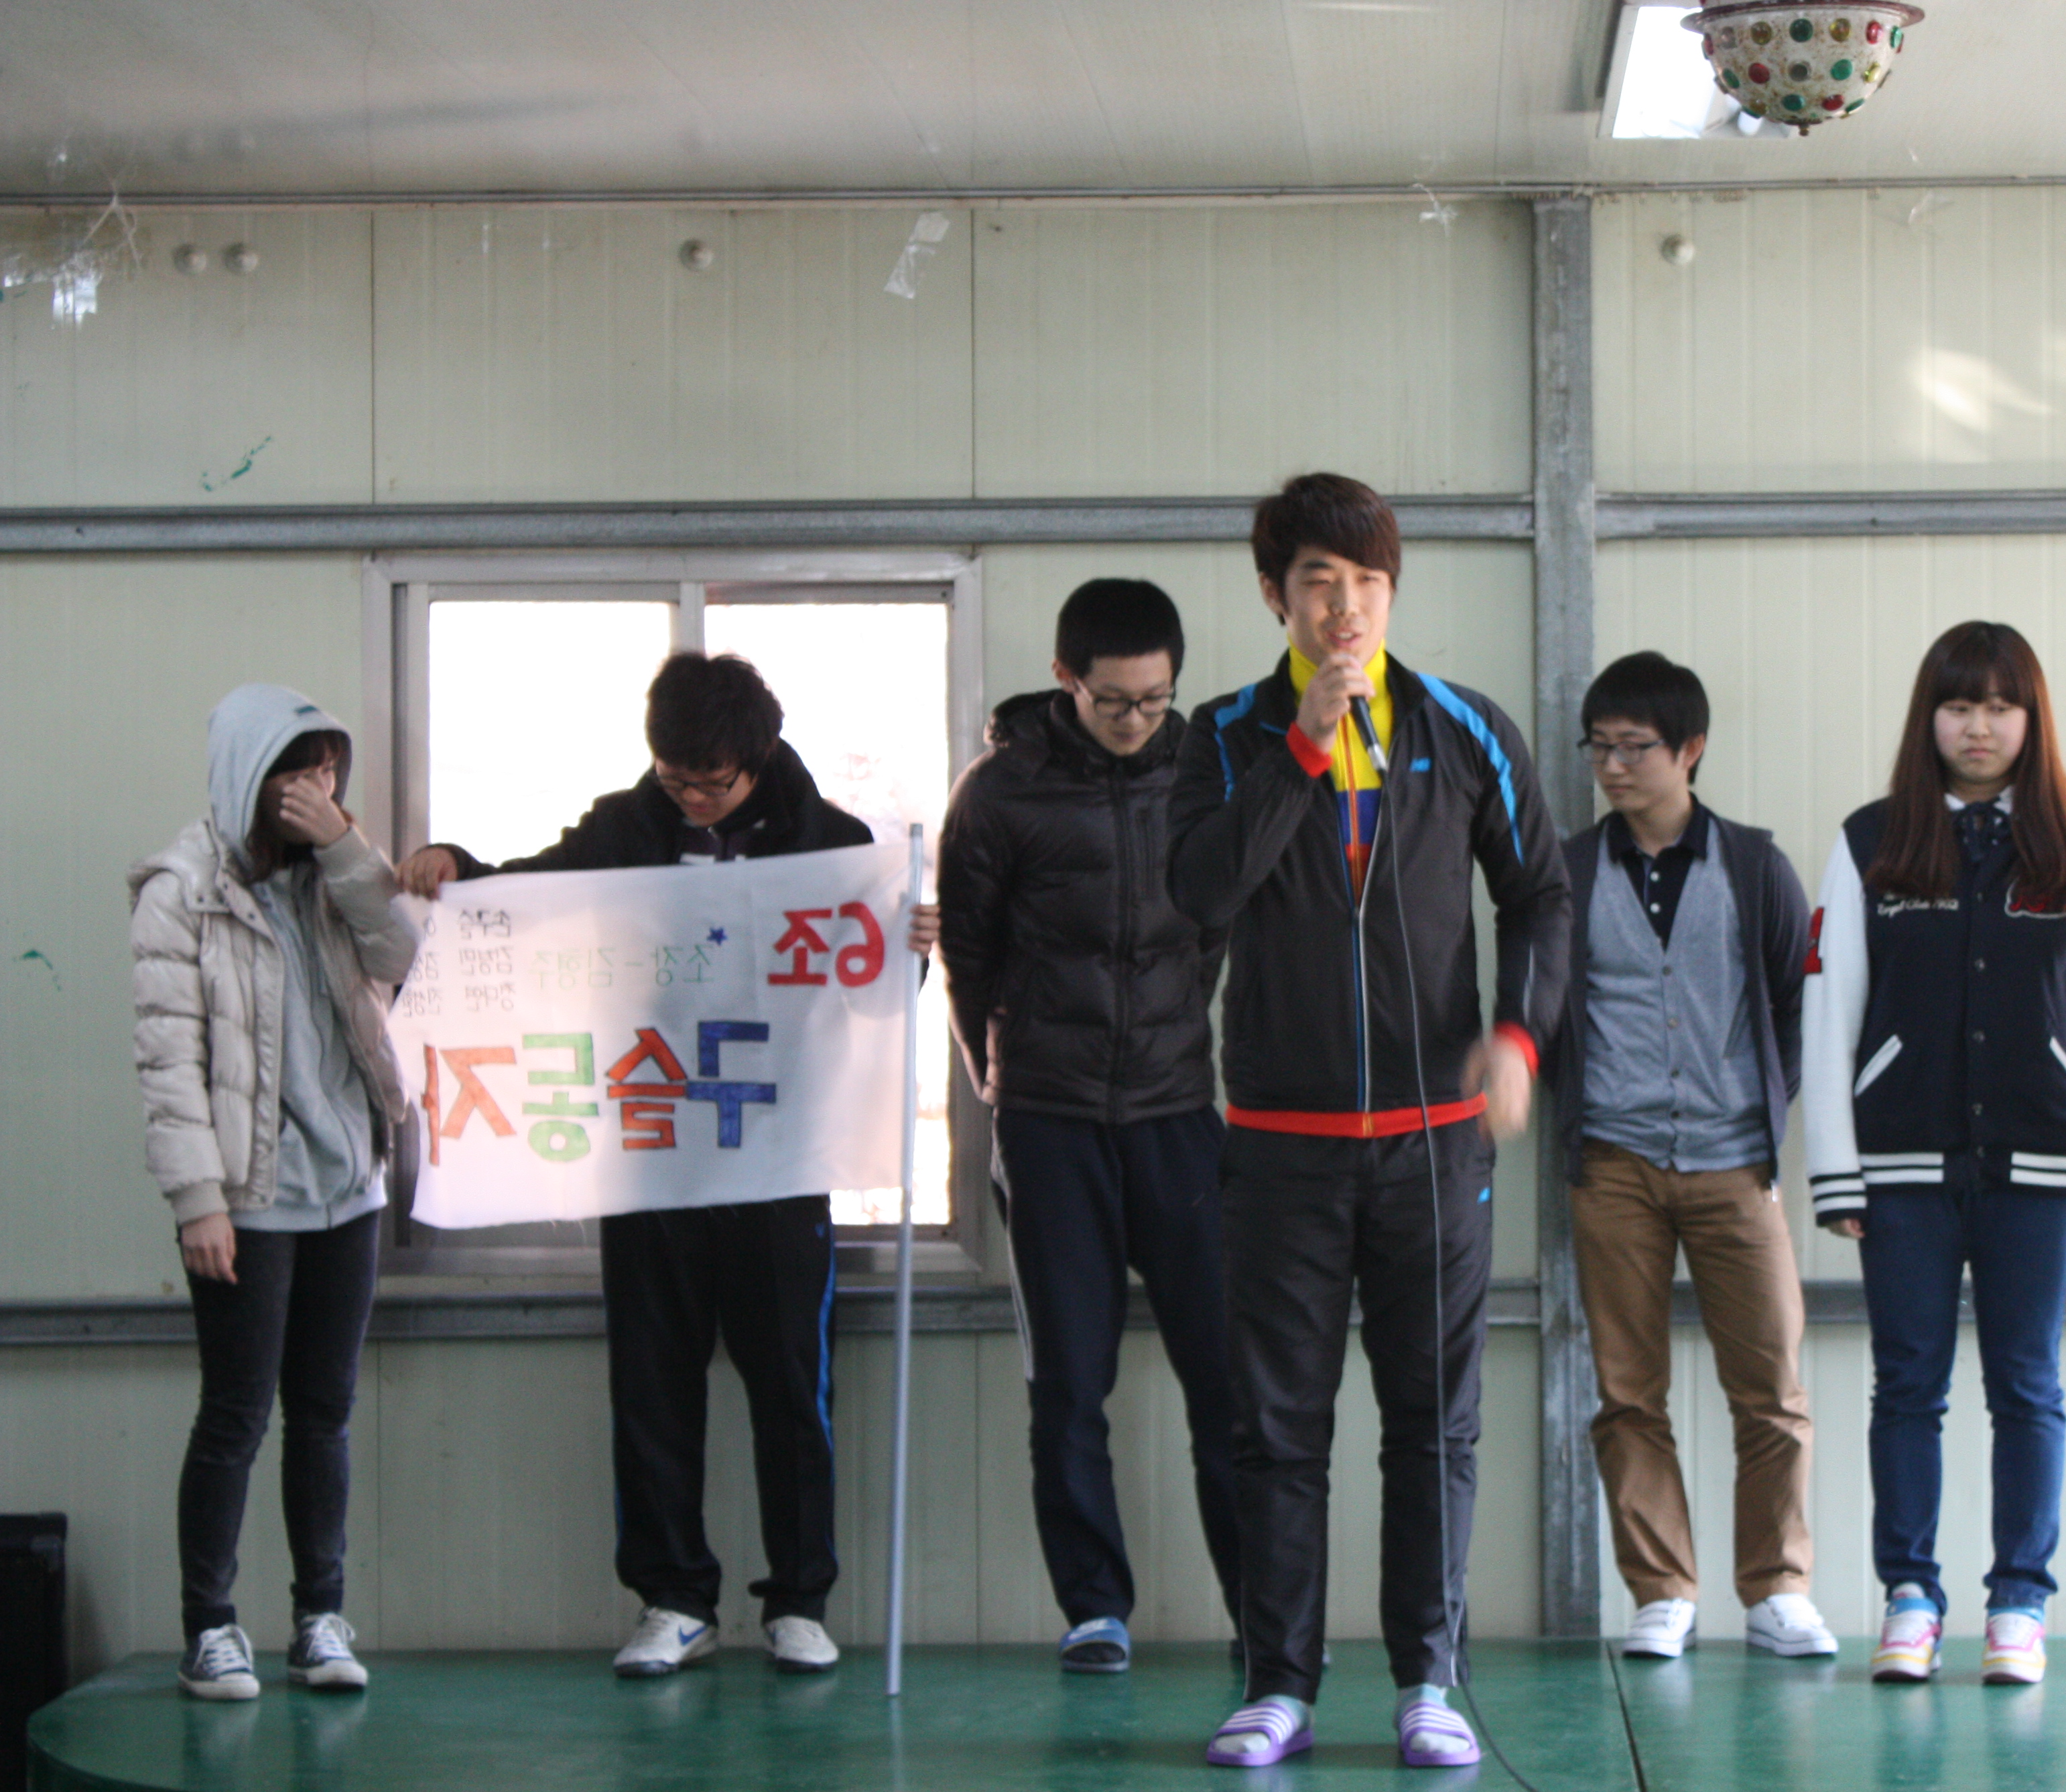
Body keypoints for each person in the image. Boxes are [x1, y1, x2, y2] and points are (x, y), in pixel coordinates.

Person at [398, 652, 938, 1677]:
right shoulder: (624, 827)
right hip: (649, 1147)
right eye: (674, 777)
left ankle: (799, 1600)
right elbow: (529, 900)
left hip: (779, 1154)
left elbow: (874, 1004)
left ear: (758, 759)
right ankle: (673, 1598)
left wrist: (908, 947)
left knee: (793, 1386)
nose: (689, 797)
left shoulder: (834, 847)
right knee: (651, 1382)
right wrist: (456, 866)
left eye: (711, 783)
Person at [1170, 472, 1568, 1768]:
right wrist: (1301, 746)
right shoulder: (1223, 736)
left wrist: (1518, 1037)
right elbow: (1201, 894)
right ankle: (1278, 1685)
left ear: (1393, 594)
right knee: (1276, 1429)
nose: (1346, 608)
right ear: (1274, 596)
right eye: (1319, 584)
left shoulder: (1465, 727)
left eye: (1368, 584)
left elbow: (1542, 896)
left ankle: (1429, 1682)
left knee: (1432, 1423)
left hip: (1436, 1144)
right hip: (1279, 1150)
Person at [1805, 621, 2066, 1687]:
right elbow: (1831, 1008)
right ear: (1931, 718)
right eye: (1959, 705)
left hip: (2036, 1169)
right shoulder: (1872, 842)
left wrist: (2049, 1050)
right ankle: (1910, 1599)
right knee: (1907, 1386)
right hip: (1900, 1170)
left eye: (2001, 707)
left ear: (2031, 719)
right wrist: (1836, 1169)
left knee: (2027, 1387)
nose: (1979, 726)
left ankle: (2019, 1606)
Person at [936, 578, 1241, 1673]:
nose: (1136, 720)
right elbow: (966, 956)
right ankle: (1096, 1609)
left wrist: (1173, 1041)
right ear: (1066, 679)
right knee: (1069, 1382)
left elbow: (1213, 932)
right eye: (1114, 700)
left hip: (1178, 1116)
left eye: (1156, 699)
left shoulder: (1206, 773)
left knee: (1229, 1379)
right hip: (1051, 1121)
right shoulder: (999, 793)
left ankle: (1262, 1609)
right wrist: (1000, 1077)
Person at [131, 684, 424, 1700]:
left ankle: (319, 1620)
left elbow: (405, 955)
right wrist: (197, 1201)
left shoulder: (337, 872)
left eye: (328, 766)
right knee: (236, 1415)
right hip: (248, 1199)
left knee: (325, 1414)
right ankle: (210, 1628)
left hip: (350, 1187)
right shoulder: (182, 889)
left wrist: (345, 845)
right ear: (246, 776)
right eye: (297, 770)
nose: (317, 785)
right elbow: (168, 1062)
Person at [1543, 651, 1825, 1663]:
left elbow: (1793, 1002)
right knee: (1627, 1392)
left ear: (1690, 749)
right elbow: (1541, 1000)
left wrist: (1764, 1111)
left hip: (1736, 1162)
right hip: (1613, 1163)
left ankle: (1778, 1591)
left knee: (1773, 1391)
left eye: (1635, 748)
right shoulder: (1571, 869)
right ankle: (1662, 1592)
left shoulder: (1754, 866)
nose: (1614, 768)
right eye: (1600, 749)